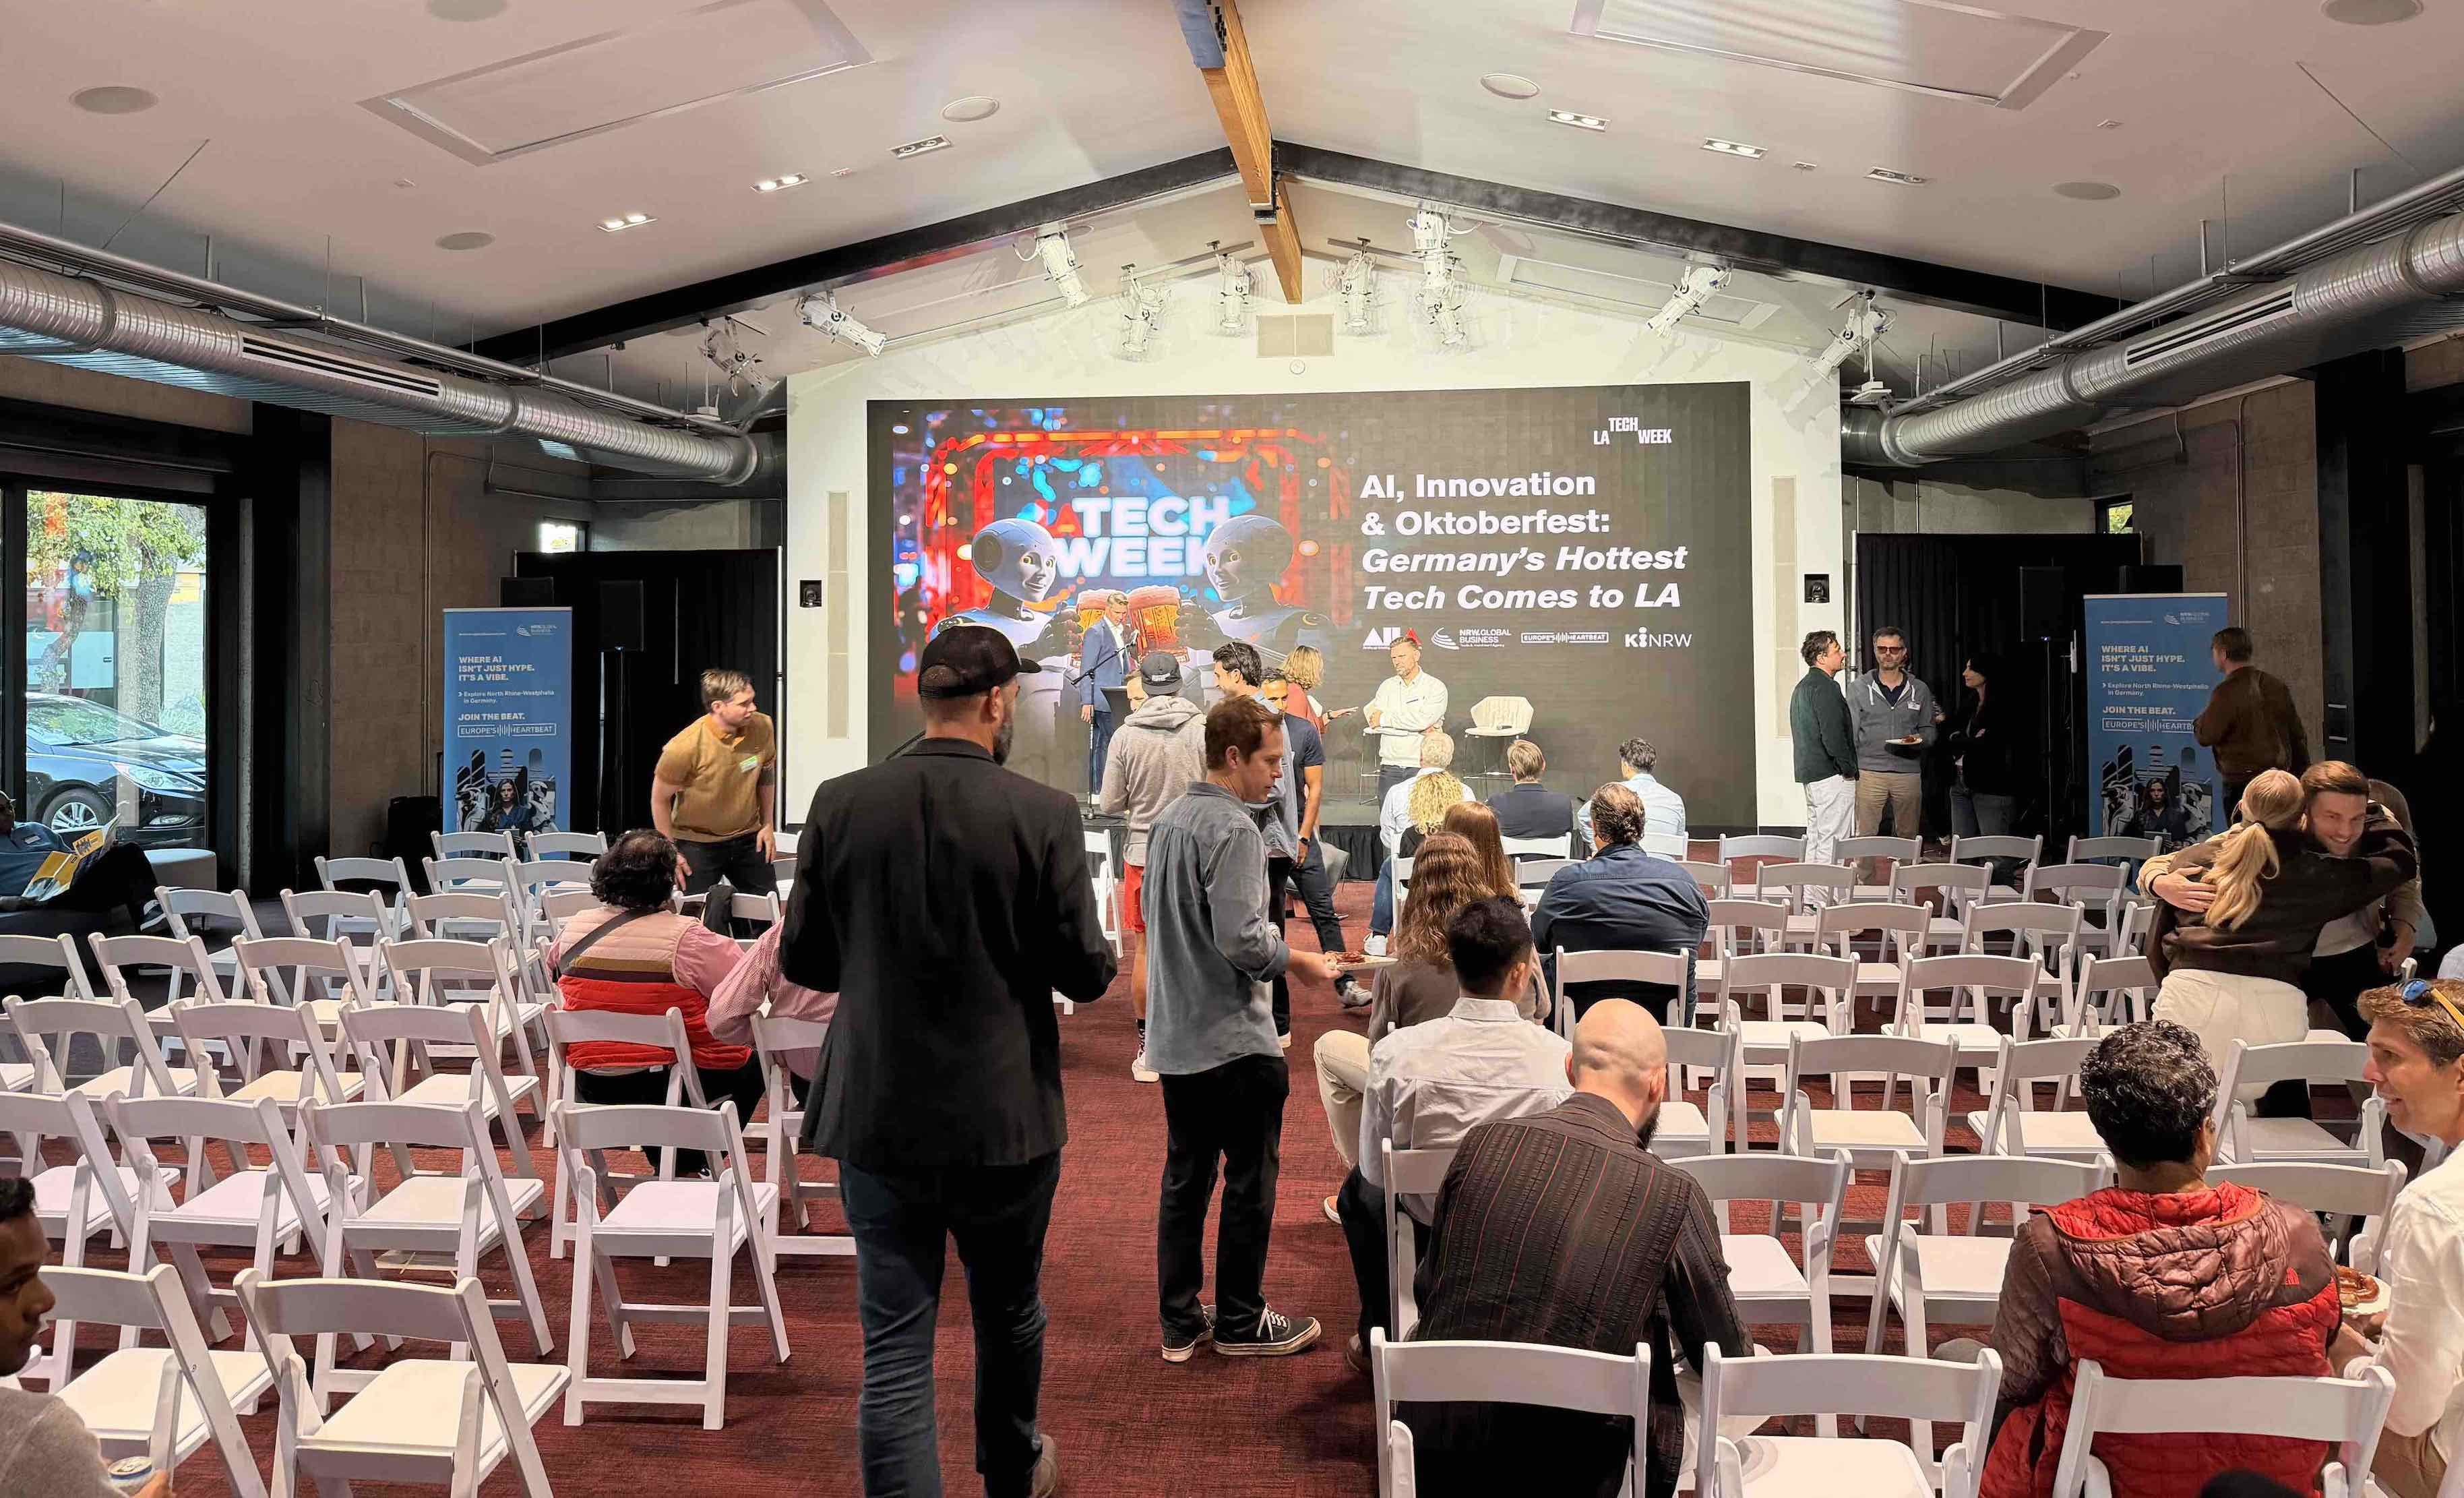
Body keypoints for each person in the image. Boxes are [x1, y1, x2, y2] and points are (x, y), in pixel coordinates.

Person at [780, 624, 1115, 1498]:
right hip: (1004, 1117)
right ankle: (1012, 1470)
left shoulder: (840, 801)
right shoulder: (1042, 811)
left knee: (895, 1344)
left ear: (927, 699)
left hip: (876, 1111)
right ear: (998, 702)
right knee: (1009, 1311)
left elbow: (805, 962)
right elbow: (1085, 973)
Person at [1399, 998, 1748, 1498]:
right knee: (1745, 1377)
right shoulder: (1673, 1194)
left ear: (1570, 1069)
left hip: (1440, 1440)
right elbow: (1726, 1357)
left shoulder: (1481, 1144)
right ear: (1658, 1084)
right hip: (1579, 1468)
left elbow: (1430, 1290)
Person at [1980, 1020, 2339, 1498]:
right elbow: (2325, 1343)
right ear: (2205, 1135)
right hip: (2272, 1484)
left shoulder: (2052, 1248)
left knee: (1971, 1369)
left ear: (2107, 1137)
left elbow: (2014, 1380)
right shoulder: (2298, 1234)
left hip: (2111, 1479)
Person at [1144, 695, 1341, 1361]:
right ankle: (1239, 1319)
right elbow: (1245, 942)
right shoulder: (1233, 830)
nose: (1280, 776)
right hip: (1231, 1039)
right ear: (1233, 756)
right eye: (1271, 761)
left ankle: (1180, 1319)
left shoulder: (1171, 820)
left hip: (1177, 1037)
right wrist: (1303, 963)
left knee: (1186, 1180)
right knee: (1249, 1183)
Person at [1335, 895, 1571, 1369]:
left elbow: (1377, 1174)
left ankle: (1380, 1330)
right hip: (1524, 1223)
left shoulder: (1397, 1053)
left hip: (1428, 1218)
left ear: (1456, 966)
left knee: (1357, 1195)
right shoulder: (1559, 1060)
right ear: (1521, 973)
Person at [2146, 769, 2415, 1099]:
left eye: (2355, 818)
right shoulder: (2318, 873)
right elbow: (2400, 862)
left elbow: (2154, 942)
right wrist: (2376, 812)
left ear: (2243, 807)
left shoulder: (2195, 860)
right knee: (2268, 1096)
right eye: (2332, 816)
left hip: (2189, 992)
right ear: (2303, 817)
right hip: (2276, 1001)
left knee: (2186, 1103)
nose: (2345, 830)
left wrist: (2158, 883)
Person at [1311, 833, 1545, 1201]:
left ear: (1416, 883)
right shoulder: (1515, 946)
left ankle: (1369, 1182)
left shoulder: (1400, 964)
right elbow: (1542, 1011)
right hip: (1516, 1082)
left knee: (1333, 1051)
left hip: (1425, 1086)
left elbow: (1378, 1051)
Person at [549, 830, 760, 1178]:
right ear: (667, 881)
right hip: (664, 1086)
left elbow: (555, 974)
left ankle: (675, 1163)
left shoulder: (573, 930)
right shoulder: (688, 939)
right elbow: (742, 985)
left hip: (591, 1084)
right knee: (759, 1060)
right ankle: (691, 1160)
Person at [2337, 978, 2464, 1497]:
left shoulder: (2434, 1206)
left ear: (2460, 1075)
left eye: (2389, 1057)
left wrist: (2343, 1354)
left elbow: (2408, 1411)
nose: (2370, 1074)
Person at [0, 1178, 172, 1497]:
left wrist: (73, 1472)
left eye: (37, 1272)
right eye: (12, 1285)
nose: (46, 1299)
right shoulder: (37, 1433)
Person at [1101, 651, 1209, 1082]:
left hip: (1144, 855)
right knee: (1199, 947)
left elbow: (1110, 803)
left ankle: (1149, 1049)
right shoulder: (1203, 729)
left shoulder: (1124, 736)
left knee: (1145, 951)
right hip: (1196, 852)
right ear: (1180, 683)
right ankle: (1195, 1043)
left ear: (1143, 688)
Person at [1532, 783, 1711, 1020]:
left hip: (1579, 1019)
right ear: (1641, 827)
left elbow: (1539, 941)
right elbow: (1696, 937)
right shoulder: (1684, 884)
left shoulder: (1565, 883)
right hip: (1662, 1021)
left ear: (1595, 827)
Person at [1213, 642, 1314, 1046]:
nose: (1216, 683)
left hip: (1267, 847)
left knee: (1265, 935)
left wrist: (1228, 798)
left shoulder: (1262, 719)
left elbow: (1277, 787)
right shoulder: (1251, 715)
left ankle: (1278, 1023)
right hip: (1257, 843)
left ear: (1236, 675)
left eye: (1219, 676)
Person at [1263, 669, 1353, 1008]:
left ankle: (1346, 982)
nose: (1279, 704)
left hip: (1300, 835)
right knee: (1272, 922)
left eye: (1283, 697)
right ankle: (1275, 1001)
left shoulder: (1303, 731)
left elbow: (1315, 789)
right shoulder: (1253, 733)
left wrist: (1303, 838)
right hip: (1265, 840)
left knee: (1323, 911)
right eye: (1272, 698)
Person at [652, 667, 779, 898]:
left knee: (766, 911)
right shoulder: (684, 747)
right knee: (692, 912)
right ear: (718, 706)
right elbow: (660, 799)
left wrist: (768, 824)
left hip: (748, 836)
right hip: (697, 842)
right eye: (744, 704)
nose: (753, 708)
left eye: (752, 700)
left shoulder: (763, 726)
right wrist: (669, 849)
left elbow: (766, 773)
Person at [1366, 730, 1473, 956]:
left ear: (1421, 757)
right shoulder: (1465, 792)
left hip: (1411, 875)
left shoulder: (1397, 792)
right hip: (1456, 872)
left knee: (1390, 865)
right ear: (1449, 759)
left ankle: (1379, 936)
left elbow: (1388, 838)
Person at [704, 918, 835, 1088]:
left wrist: (768, 1037)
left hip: (807, 1084)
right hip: (866, 1084)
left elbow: (721, 1018)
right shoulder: (871, 934)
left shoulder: (783, 934)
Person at [2194, 626, 2311, 810]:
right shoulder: (2275, 685)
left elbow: (2206, 735)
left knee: (2244, 828)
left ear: (2223, 654)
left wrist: (2198, 723)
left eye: (2214, 651)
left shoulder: (2226, 692)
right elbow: (2297, 734)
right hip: (2279, 779)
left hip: (2242, 784)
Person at [1328, 631, 1448, 807]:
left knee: (1423, 817)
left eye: (1402, 656)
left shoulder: (1435, 687)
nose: (1397, 661)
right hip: (1390, 765)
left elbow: (1422, 720)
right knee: (1387, 817)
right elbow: (1375, 722)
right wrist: (1414, 726)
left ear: (1416, 656)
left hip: (1421, 765)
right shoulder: (1387, 687)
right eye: (1394, 658)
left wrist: (1385, 719)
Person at [0, 791, 158, 926]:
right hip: (44, 896)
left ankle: (152, 924)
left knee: (127, 858)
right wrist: (4, 901)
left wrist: (101, 852)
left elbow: (72, 858)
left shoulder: (36, 829)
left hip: (73, 880)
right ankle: (151, 915)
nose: (9, 812)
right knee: (129, 861)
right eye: (1, 810)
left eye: (10, 806)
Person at [1848, 625, 1936, 850]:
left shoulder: (1920, 689)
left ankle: (1906, 874)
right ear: (1875, 651)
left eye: (1894, 649)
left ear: (1903, 652)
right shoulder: (1859, 688)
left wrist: (1919, 740)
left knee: (1908, 835)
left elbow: (1929, 730)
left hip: (1908, 772)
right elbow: (1852, 732)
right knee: (1865, 834)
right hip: (1869, 772)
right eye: (1882, 649)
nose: (1888, 654)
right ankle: (1864, 874)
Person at [1789, 630, 1858, 873]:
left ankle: (1812, 893)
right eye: (1837, 650)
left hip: (1812, 776)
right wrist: (1848, 769)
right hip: (1831, 776)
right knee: (1833, 842)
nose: (1843, 654)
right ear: (1821, 657)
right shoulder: (1827, 687)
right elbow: (1833, 735)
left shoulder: (1802, 687)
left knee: (1817, 838)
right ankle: (1826, 895)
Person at [1945, 652, 2017, 843]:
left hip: (1990, 785)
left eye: (1971, 668)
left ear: (1986, 672)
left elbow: (1990, 745)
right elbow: (1951, 734)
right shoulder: (1970, 702)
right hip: (1960, 782)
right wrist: (1967, 740)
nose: (1965, 673)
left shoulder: (2004, 705)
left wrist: (1964, 740)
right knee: (1962, 849)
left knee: (1994, 849)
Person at [1573, 737, 1686, 847]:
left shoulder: (1614, 792)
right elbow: (1679, 842)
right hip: (1663, 860)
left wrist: (1596, 848)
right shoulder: (1676, 800)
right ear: (1652, 766)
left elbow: (1583, 817)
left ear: (1625, 766)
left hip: (1623, 858)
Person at [1074, 590, 1134, 794]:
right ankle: (1101, 791)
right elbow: (1087, 669)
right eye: (1117, 613)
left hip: (1116, 698)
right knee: (1107, 745)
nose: (1121, 617)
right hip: (1101, 699)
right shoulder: (1096, 632)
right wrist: (1087, 701)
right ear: (1107, 609)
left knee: (1104, 745)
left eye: (1124, 613)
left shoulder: (1120, 631)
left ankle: (1100, 791)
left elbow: (1121, 666)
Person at [1487, 738, 1578, 848]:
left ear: (1512, 769)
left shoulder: (1496, 804)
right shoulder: (1563, 804)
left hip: (1510, 860)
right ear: (1543, 766)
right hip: (1552, 860)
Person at [1279, 645, 1328, 731]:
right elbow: (1298, 732)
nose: (1320, 671)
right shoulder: (1295, 693)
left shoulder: (1293, 689)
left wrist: (1329, 716)